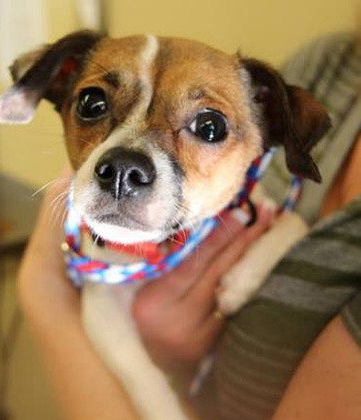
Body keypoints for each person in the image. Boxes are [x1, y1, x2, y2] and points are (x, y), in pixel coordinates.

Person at [18, 31, 361, 419]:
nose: (122, 172)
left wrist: (44, 283)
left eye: (208, 127)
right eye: (94, 105)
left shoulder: (255, 206)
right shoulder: (328, 64)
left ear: (267, 129)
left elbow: (290, 227)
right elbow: (102, 306)